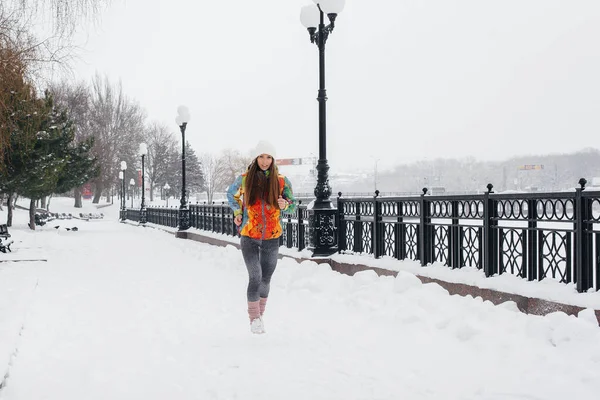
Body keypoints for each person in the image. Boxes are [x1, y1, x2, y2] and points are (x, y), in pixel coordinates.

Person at [227, 140, 296, 334]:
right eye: (261, 157)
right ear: (255, 158)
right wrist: (238, 212)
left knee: (266, 278)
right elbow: (232, 195)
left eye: (268, 157)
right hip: (249, 235)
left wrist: (285, 205)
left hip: (272, 237)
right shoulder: (244, 179)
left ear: (273, 159)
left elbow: (293, 204)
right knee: (255, 276)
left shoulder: (282, 182)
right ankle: (254, 319)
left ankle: (259, 315)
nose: (264, 161)